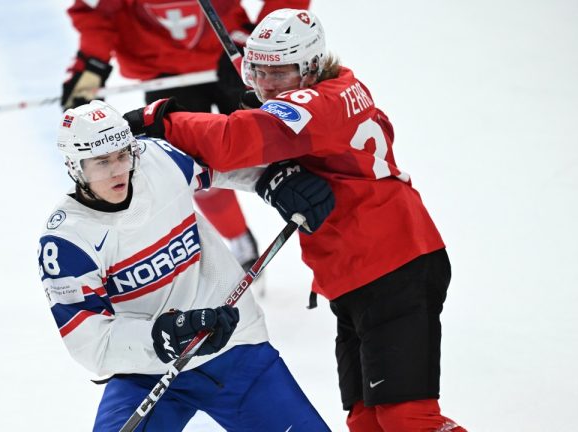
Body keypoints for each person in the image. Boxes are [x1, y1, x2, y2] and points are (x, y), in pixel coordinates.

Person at [123, 8, 467, 432]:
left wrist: (159, 118)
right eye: (256, 72)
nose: (265, 85)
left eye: (278, 73)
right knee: (366, 421)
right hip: (360, 272)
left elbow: (233, 141)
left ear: (310, 68)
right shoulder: (336, 87)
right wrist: (270, 129)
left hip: (393, 266)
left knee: (406, 419)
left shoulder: (316, 106)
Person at [37, 100, 333, 431]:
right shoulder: (67, 241)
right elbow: (90, 342)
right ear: (75, 166)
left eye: (122, 155)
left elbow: (220, 165)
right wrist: (163, 337)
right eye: (102, 162)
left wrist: (272, 182)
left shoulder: (157, 160)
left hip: (234, 347)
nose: (118, 170)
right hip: (146, 372)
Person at [60, 0, 310, 282]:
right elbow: (98, 13)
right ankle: (239, 240)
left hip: (234, 55)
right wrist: (92, 63)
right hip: (165, 73)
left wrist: (265, 46)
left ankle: (332, 230)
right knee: (188, 165)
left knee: (279, 143)